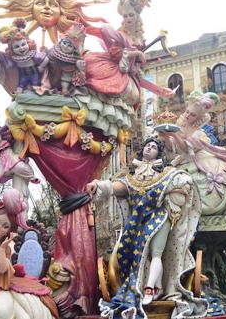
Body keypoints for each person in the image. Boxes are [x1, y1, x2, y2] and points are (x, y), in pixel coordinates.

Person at [87, 137, 207, 319]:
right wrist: (99, 186)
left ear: (159, 153)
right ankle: (150, 287)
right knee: (140, 256)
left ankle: (150, 288)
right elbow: (119, 187)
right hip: (137, 223)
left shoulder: (168, 173)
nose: (149, 148)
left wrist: (168, 198)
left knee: (156, 251)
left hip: (160, 218)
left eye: (154, 147)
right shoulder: (133, 176)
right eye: (147, 146)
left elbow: (183, 185)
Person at [159, 90, 226, 216]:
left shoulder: (199, 133)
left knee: (202, 183)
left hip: (197, 160)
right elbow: (173, 149)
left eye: (193, 115)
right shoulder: (180, 127)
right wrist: (167, 137)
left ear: (199, 118)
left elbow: (185, 148)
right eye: (187, 112)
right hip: (182, 162)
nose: (188, 116)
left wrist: (173, 135)